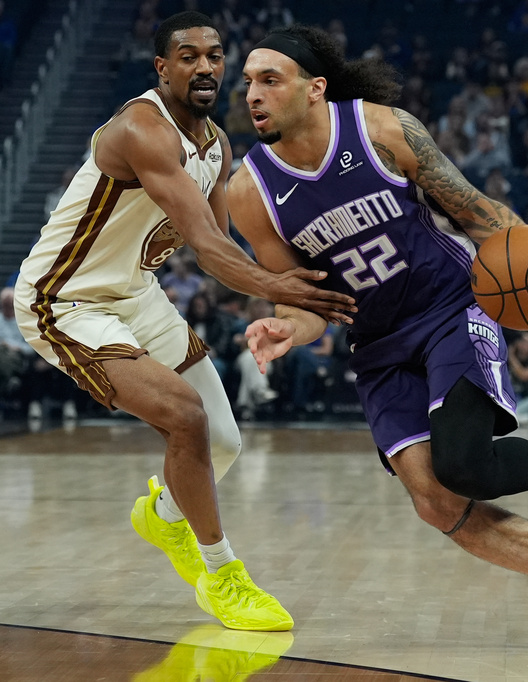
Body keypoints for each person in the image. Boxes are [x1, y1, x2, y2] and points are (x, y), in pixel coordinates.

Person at [226, 25, 528, 657]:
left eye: (270, 79)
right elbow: (304, 302)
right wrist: (284, 328)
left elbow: (478, 212)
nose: (254, 94)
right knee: (435, 501)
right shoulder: (252, 193)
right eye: (249, 82)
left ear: (314, 88)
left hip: (449, 308)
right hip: (377, 346)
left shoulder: (382, 131)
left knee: (464, 465)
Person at [13, 12, 356, 631]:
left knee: (223, 441)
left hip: (135, 293)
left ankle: (164, 517)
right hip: (65, 298)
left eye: (214, 55)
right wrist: (284, 287)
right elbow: (206, 244)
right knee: (184, 416)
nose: (205, 67)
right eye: (188, 56)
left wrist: (282, 305)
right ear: (162, 68)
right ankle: (222, 576)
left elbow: (221, 254)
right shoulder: (142, 129)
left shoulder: (217, 145)